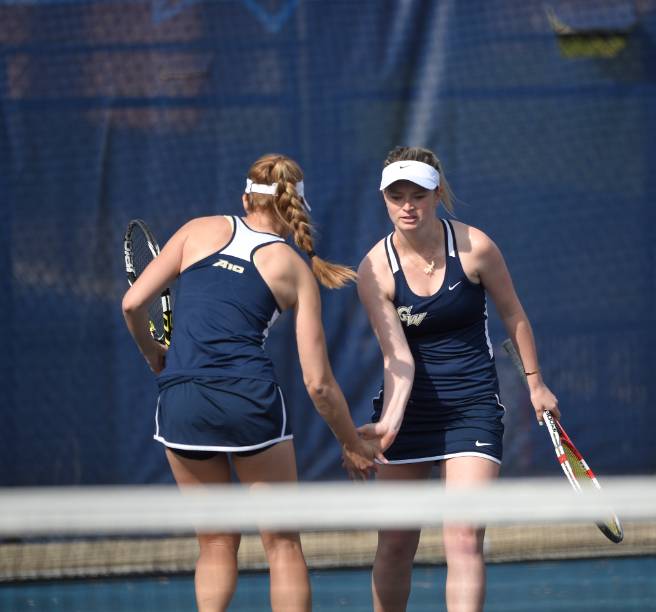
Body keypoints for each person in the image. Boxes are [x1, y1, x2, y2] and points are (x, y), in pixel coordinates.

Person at [122, 153, 384, 612]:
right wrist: (351, 445)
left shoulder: (196, 230)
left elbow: (131, 304)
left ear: (245, 198)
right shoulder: (295, 269)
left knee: (216, 542)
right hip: (250, 403)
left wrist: (153, 355)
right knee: (282, 543)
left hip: (182, 399)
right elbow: (318, 383)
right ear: (296, 208)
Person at [356, 146, 560, 612]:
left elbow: (514, 314)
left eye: (418, 194)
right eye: (396, 195)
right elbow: (397, 358)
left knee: (463, 536)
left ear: (438, 193)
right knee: (394, 544)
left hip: (473, 408)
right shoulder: (374, 270)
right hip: (407, 414)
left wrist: (535, 383)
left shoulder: (476, 248)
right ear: (384, 200)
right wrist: (389, 422)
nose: (407, 205)